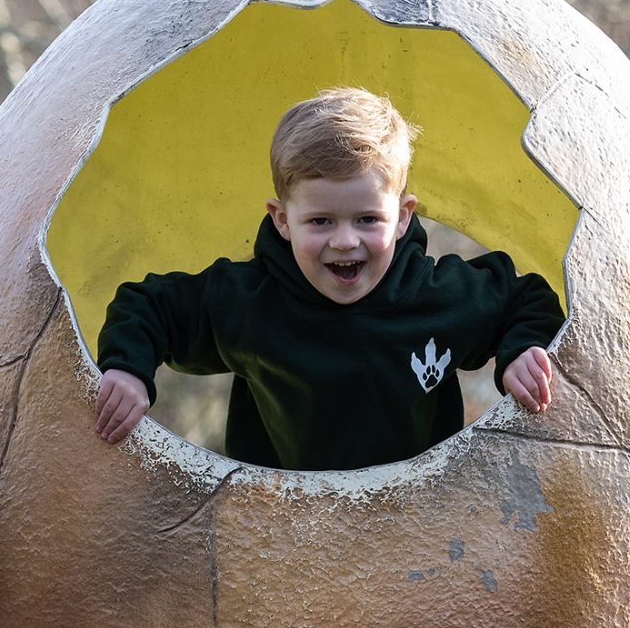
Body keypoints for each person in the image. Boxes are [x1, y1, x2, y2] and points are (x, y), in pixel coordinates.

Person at [92, 86, 565, 471]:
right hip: (280, 530)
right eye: (320, 221)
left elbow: (523, 299)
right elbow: (148, 305)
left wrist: (521, 352)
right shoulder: (248, 301)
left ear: (403, 217)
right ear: (282, 220)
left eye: (367, 219)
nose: (344, 241)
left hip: (418, 528)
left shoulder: (436, 297)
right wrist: (129, 369)